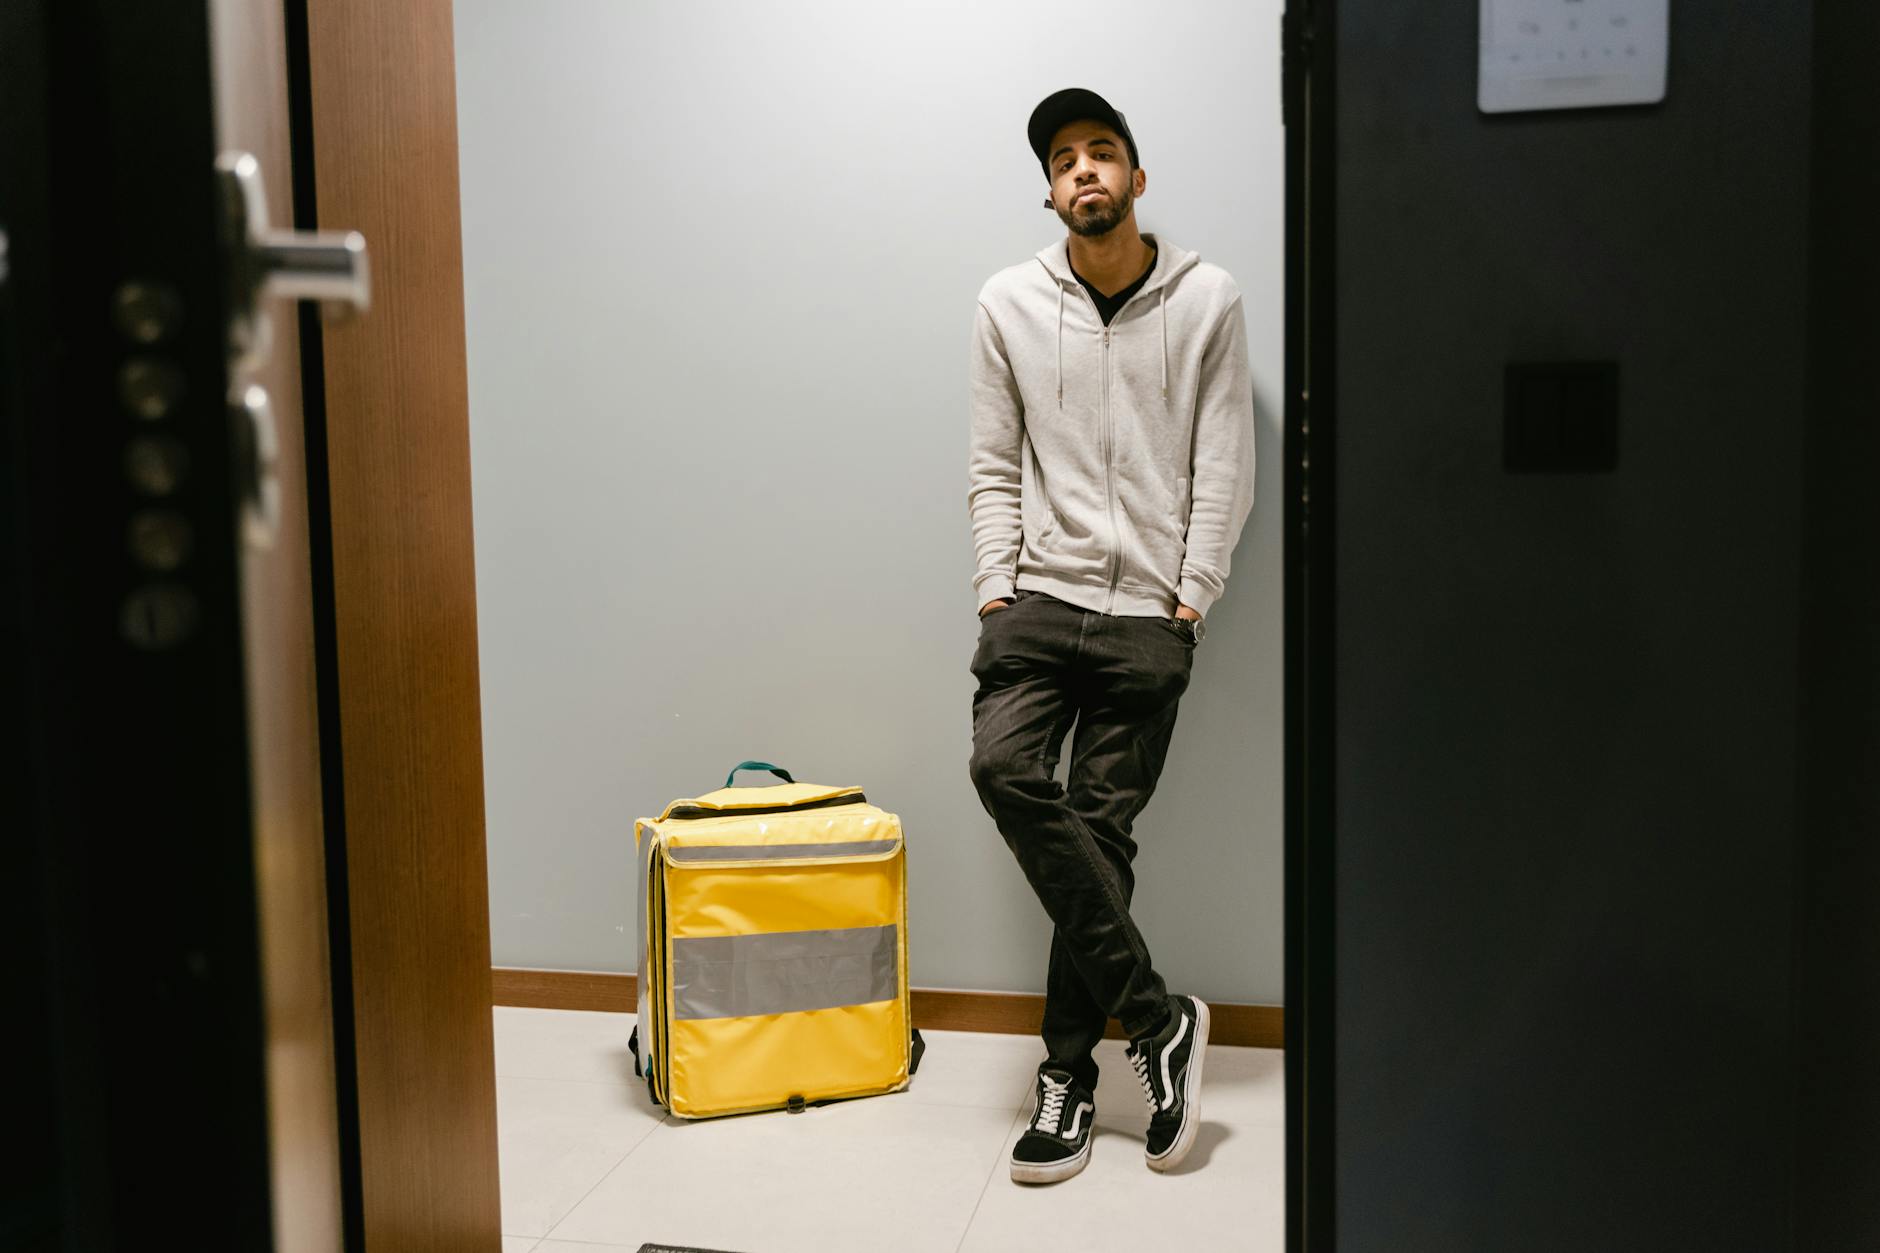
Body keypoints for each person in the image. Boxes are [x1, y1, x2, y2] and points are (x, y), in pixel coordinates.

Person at [965, 87, 1256, 1184]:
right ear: (1047, 191)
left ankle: (1069, 1079)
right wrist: (997, 587)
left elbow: (1223, 458)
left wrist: (1191, 594)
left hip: (1148, 612)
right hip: (1036, 599)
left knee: (1098, 832)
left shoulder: (1206, 298)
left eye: (1102, 152)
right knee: (1001, 769)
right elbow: (993, 462)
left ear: (1136, 177)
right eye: (1062, 159)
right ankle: (1155, 1018)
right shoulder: (1005, 301)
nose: (1082, 170)